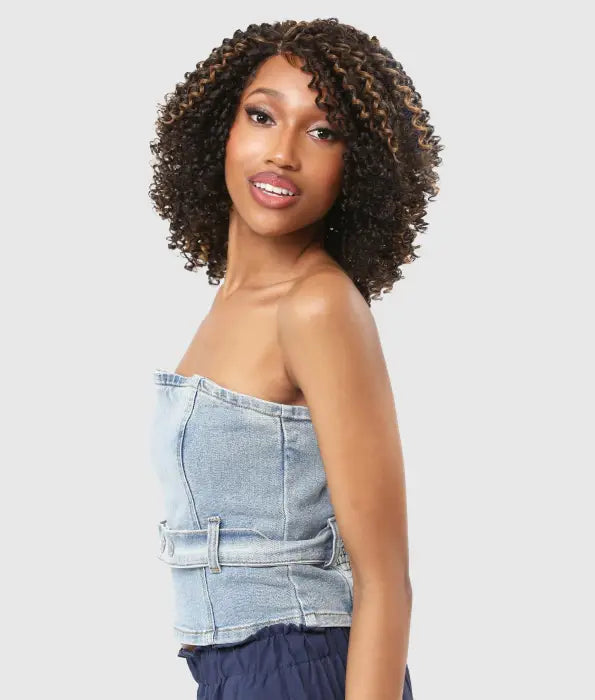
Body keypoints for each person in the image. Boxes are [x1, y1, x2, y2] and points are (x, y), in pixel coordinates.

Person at [148, 17, 443, 700]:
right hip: (237, 670)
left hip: (301, 666)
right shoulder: (232, 303)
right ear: (220, 130)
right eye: (262, 116)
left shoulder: (317, 306)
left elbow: (384, 581)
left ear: (358, 166)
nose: (282, 153)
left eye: (323, 132)